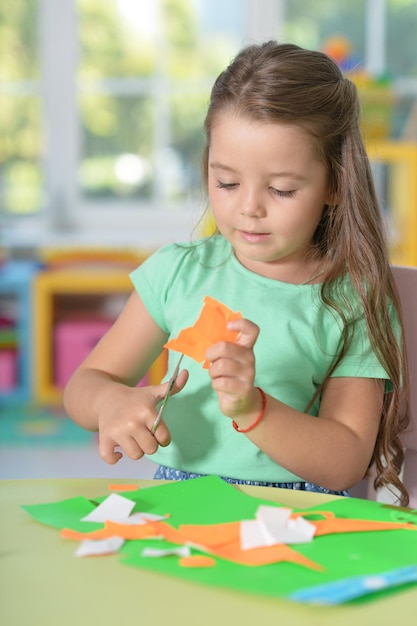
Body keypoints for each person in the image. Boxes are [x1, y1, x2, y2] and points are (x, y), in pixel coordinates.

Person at [64, 41, 410, 506]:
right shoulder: (178, 273)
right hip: (178, 506)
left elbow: (345, 459)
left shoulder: (352, 300)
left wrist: (253, 407)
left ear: (334, 185)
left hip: (300, 515)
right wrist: (109, 403)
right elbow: (87, 384)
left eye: (282, 189)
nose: (249, 208)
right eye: (226, 182)